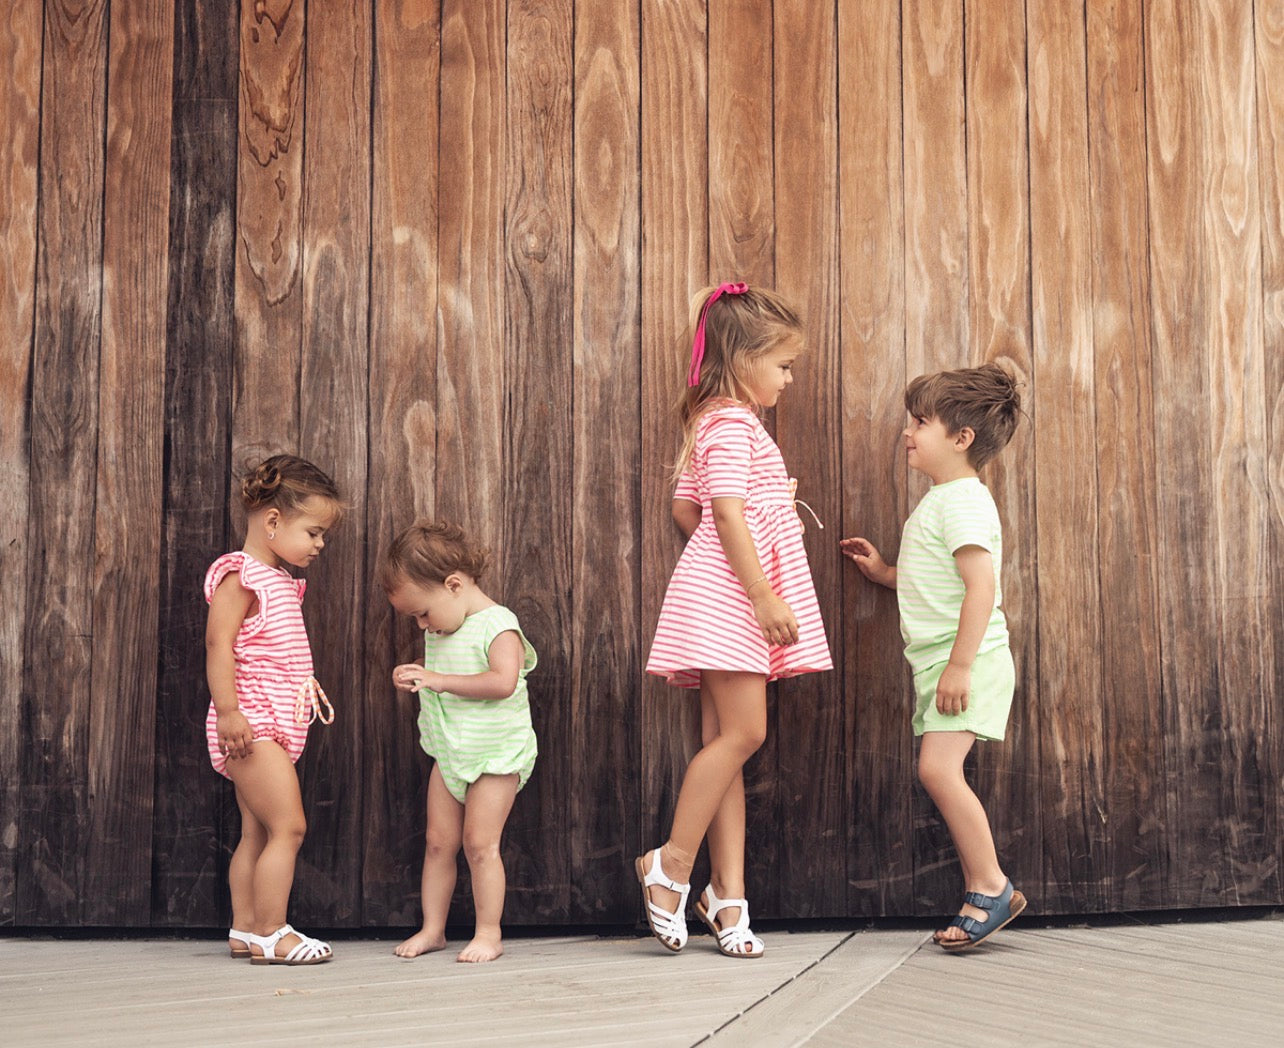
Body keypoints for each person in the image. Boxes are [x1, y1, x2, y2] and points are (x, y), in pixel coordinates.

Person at [639, 282, 832, 958]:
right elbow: (720, 512)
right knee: (745, 733)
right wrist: (760, 591)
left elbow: (686, 512)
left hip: (720, 600)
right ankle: (670, 865)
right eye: (782, 365)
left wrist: (772, 507)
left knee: (725, 750)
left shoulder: (718, 425)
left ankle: (729, 897)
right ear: (743, 358)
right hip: (731, 603)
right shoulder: (731, 424)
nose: (788, 378)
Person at [841, 362, 1025, 950]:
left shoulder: (964, 503)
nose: (907, 432)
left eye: (921, 422)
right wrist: (884, 572)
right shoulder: (945, 501)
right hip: (945, 662)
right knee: (938, 769)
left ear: (961, 438)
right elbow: (935, 579)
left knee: (937, 770)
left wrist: (961, 666)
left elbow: (981, 588)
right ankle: (986, 883)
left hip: (966, 662)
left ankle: (991, 885)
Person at [204, 453, 344, 965]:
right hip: (250, 723)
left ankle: (245, 929)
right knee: (290, 828)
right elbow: (219, 646)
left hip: (270, 723)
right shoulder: (242, 578)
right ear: (272, 522)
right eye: (313, 532)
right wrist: (228, 712)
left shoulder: (278, 580)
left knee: (257, 831)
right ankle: (273, 931)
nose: (320, 544)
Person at [379, 521, 538, 964]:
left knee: (480, 844)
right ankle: (433, 928)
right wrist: (416, 671)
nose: (422, 624)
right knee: (437, 842)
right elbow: (449, 667)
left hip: (494, 756)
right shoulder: (441, 631)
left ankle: (489, 933)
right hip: (449, 752)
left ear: (454, 585)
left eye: (423, 613)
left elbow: (503, 681)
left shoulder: (499, 624)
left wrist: (437, 679)